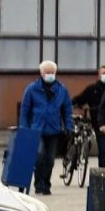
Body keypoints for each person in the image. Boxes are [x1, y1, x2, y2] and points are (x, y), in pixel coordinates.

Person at [19, 61, 74, 196]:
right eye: (47, 72)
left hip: (54, 130)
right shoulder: (32, 88)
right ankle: (39, 184)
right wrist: (24, 128)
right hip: (36, 129)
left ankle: (46, 184)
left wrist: (69, 126)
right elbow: (25, 110)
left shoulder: (61, 89)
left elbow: (67, 109)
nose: (50, 74)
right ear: (41, 73)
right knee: (39, 156)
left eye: (52, 72)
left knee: (49, 159)